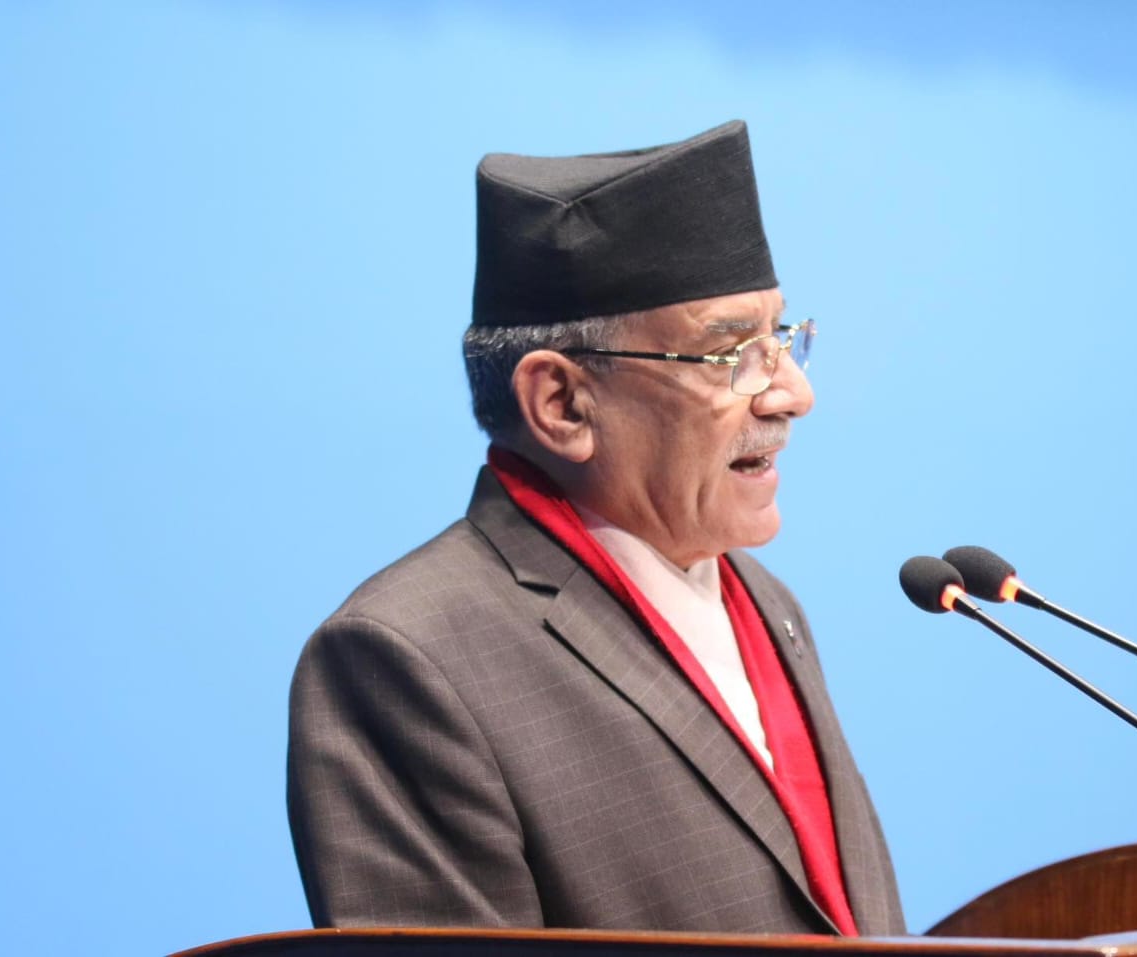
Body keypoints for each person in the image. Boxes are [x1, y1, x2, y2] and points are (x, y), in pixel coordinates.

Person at [286, 120, 905, 936]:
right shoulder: (408, 658)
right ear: (562, 404)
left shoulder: (767, 602)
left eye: (782, 339)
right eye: (732, 353)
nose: (794, 392)